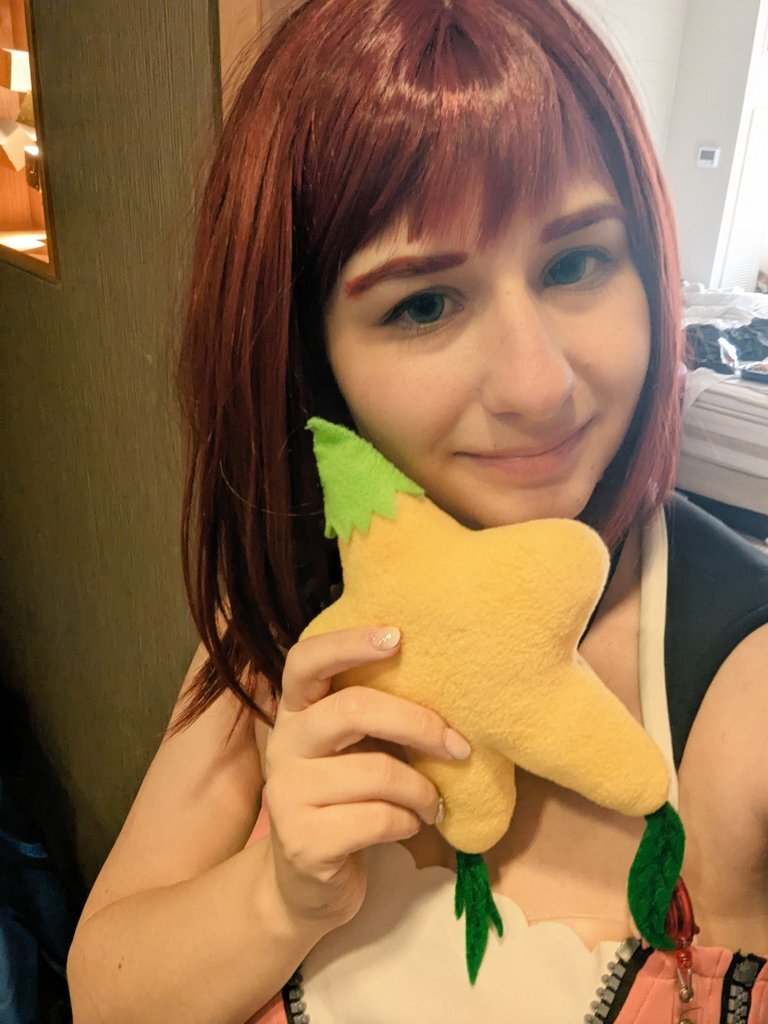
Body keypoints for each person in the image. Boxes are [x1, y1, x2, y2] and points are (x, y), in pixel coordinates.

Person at [66, 0, 768, 1021]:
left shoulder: (738, 684)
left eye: (575, 262)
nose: (538, 385)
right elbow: (102, 992)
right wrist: (279, 897)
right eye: (424, 303)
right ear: (310, 355)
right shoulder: (285, 627)